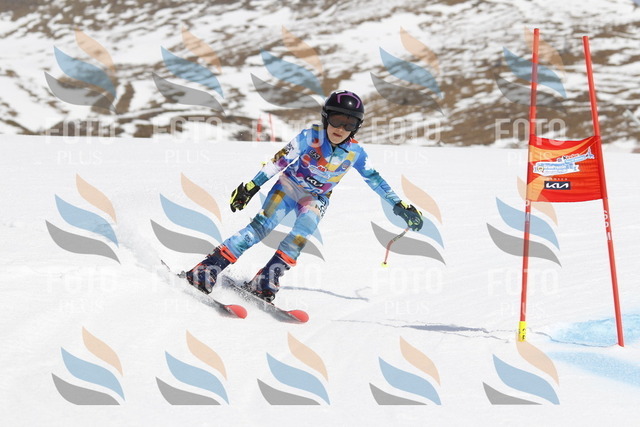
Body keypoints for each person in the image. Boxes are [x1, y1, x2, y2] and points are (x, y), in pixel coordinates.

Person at [186, 90, 424, 302]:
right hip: (288, 187)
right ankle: (207, 269)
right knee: (261, 228)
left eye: (349, 124)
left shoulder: (355, 153)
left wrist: (399, 205)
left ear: (356, 127)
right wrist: (251, 186)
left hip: (316, 198)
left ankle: (265, 280)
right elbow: (279, 161)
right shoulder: (311, 137)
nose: (341, 129)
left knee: (299, 237)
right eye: (336, 120)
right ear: (326, 118)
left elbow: (375, 180)